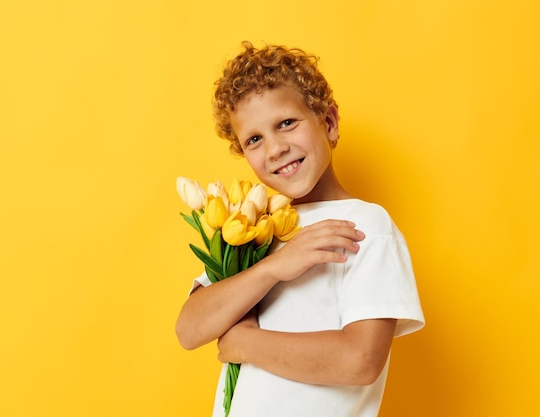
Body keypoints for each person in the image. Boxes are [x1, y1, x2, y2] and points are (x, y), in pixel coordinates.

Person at [175, 41, 424, 417]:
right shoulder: (253, 227)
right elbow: (189, 329)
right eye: (254, 139)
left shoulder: (366, 226)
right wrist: (274, 266)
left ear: (329, 122)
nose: (275, 149)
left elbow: (360, 361)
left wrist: (246, 343)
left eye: (286, 123)